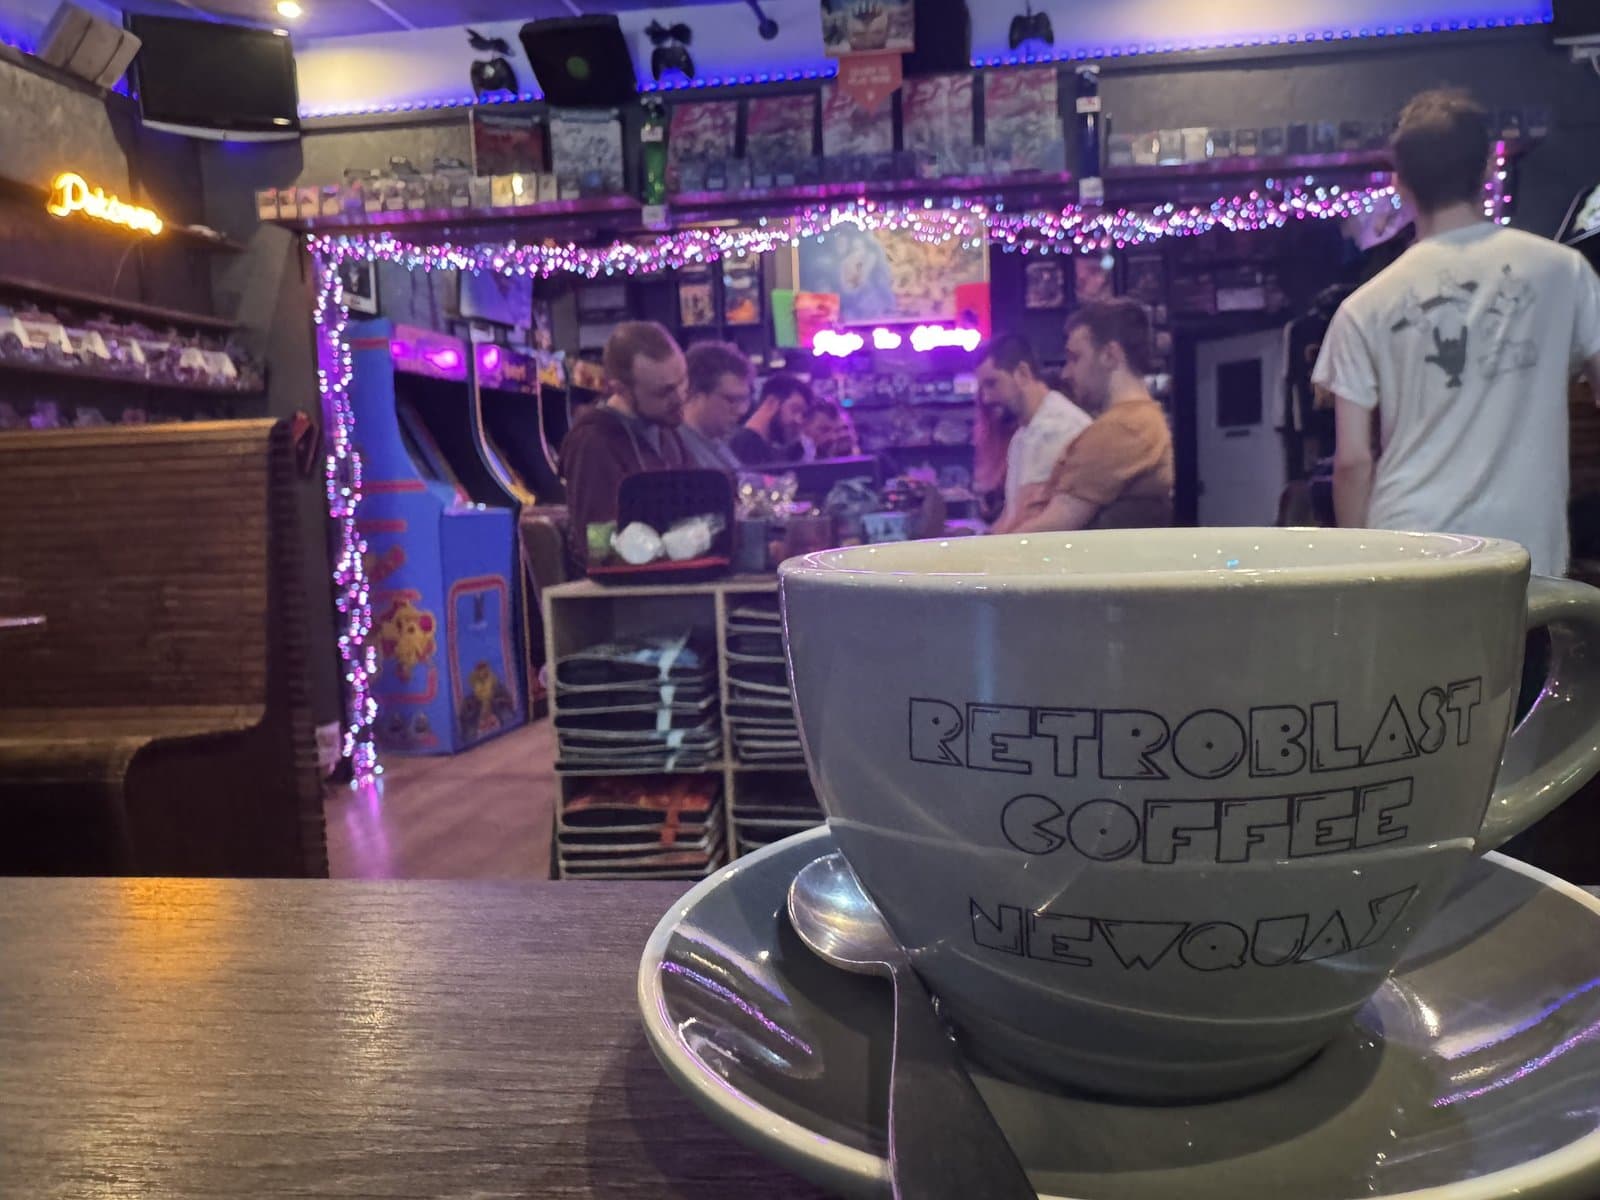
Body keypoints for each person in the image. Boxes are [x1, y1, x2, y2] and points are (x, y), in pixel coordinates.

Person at [1315, 88, 1600, 577]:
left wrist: (1359, 568)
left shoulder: (1363, 306)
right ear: (1489, 168)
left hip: (1406, 544)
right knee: (1515, 655)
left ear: (1400, 184)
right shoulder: (1563, 271)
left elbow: (1353, 463)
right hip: (1526, 546)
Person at [1010, 300, 1174, 533]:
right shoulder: (1138, 421)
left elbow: (1051, 528)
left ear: (1110, 355)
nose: (1066, 373)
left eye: (1075, 358)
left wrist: (991, 557)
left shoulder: (1125, 428)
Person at [559, 321, 688, 570]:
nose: (680, 397)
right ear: (621, 389)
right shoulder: (593, 443)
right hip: (628, 596)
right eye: (664, 392)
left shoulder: (666, 429)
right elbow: (598, 547)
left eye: (683, 382)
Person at [975, 334, 1093, 534]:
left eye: (992, 383)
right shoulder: (1022, 435)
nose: (985, 398)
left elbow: (1029, 517)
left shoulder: (1060, 428)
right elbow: (1011, 516)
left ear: (1022, 373)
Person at [678, 341, 752, 472]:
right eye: (731, 400)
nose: (742, 410)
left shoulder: (717, 441)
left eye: (744, 399)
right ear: (695, 394)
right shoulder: (677, 451)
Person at [730, 374, 812, 466]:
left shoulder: (770, 453)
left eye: (803, 414)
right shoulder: (743, 448)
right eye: (795, 409)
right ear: (771, 403)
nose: (799, 420)